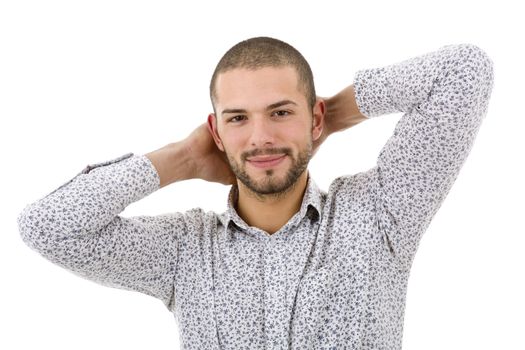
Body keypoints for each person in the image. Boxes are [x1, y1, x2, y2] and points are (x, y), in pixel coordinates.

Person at [17, 37, 494, 349]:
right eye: (239, 118)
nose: (261, 137)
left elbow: (465, 71)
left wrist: (331, 116)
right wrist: (181, 159)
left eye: (281, 112)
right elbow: (47, 227)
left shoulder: (381, 214)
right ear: (216, 132)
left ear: (313, 118)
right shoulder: (182, 251)